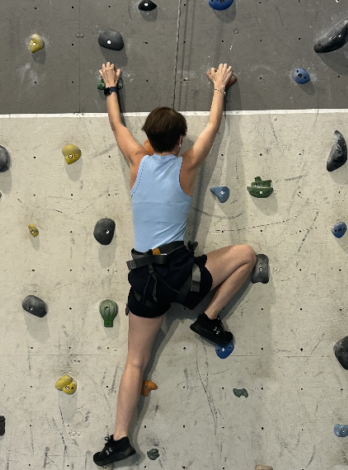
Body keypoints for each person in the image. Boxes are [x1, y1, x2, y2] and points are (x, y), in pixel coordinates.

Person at [93, 62, 257, 466]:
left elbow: (117, 126)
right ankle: (209, 318)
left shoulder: (136, 161)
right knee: (246, 256)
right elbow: (213, 127)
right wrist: (219, 87)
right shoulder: (187, 165)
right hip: (183, 275)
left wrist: (111, 87)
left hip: (145, 281)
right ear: (181, 140)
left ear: (147, 139)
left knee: (135, 361)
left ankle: (120, 439)